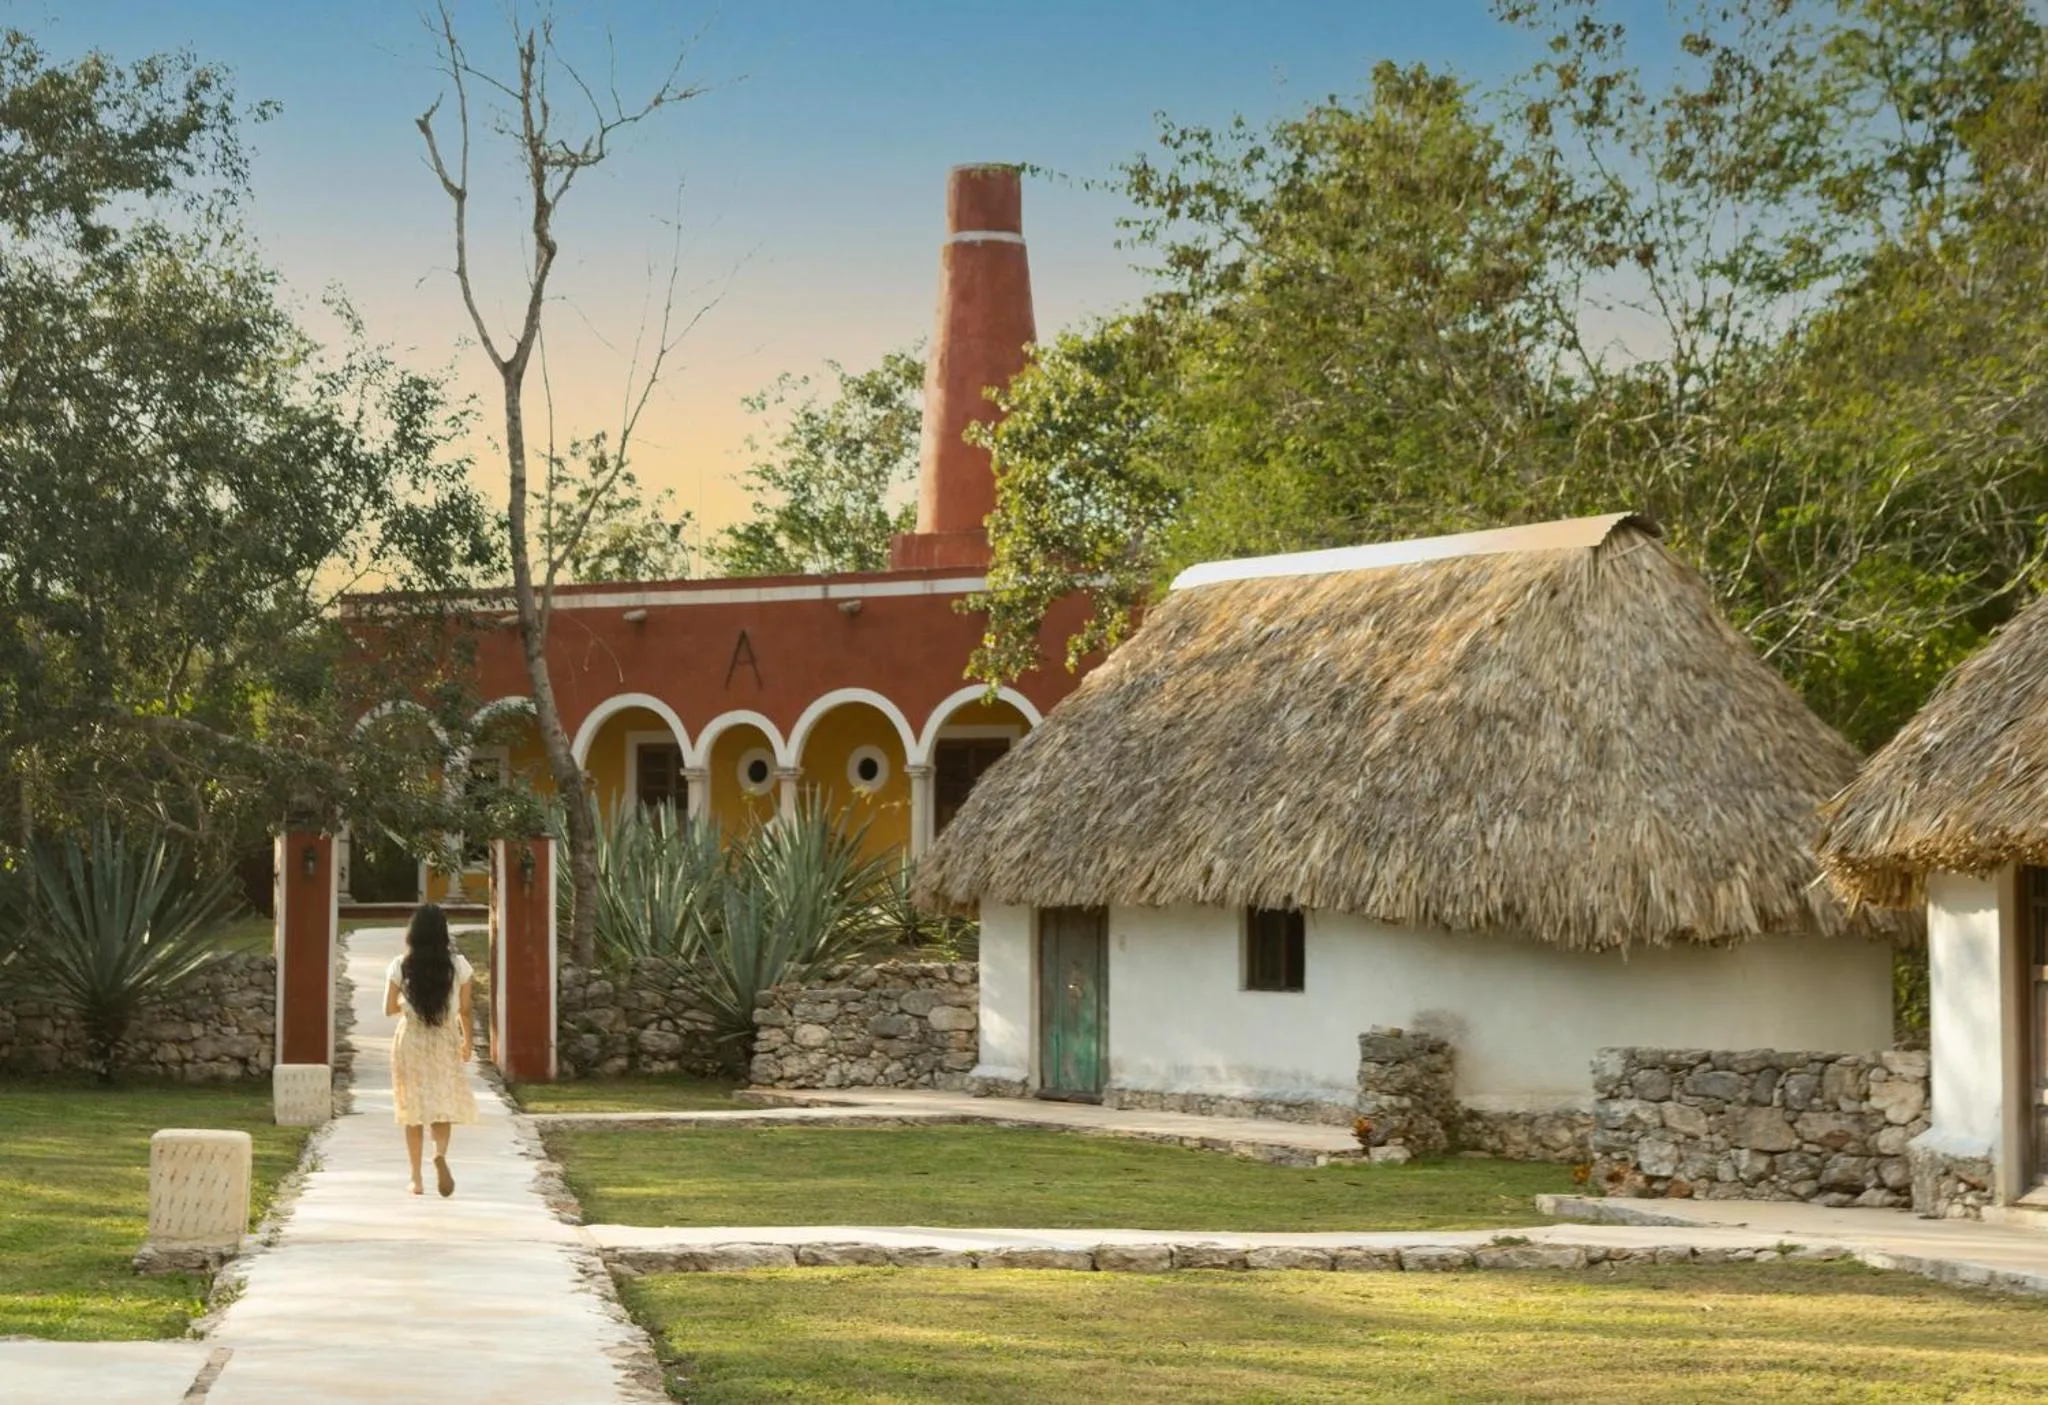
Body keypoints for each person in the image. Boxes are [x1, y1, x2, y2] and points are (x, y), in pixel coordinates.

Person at [384, 903, 479, 1196]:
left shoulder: (401, 965)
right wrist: (468, 1042)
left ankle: (416, 1178)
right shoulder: (458, 966)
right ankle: (439, 1154)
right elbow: (465, 1010)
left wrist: (408, 1004)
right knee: (442, 1104)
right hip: (445, 1038)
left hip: (410, 1040)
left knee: (412, 1109)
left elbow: (388, 1009)